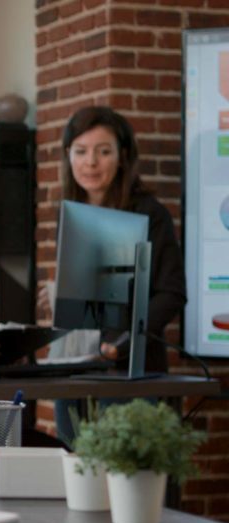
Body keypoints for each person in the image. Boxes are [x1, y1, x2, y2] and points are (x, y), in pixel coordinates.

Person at [43, 106, 186, 441]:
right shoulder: (70, 215)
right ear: (68, 156)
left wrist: (122, 343)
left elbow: (172, 292)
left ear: (122, 157)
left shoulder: (150, 214)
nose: (91, 162)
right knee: (77, 476)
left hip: (129, 372)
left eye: (103, 151)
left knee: (125, 482)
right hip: (76, 369)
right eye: (81, 151)